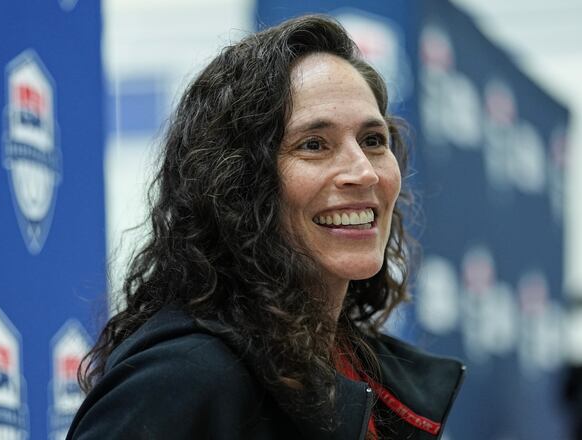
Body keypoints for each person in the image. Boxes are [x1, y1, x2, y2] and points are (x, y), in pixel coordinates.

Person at [68, 14, 465, 440]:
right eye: (314, 145)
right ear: (236, 182)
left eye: (373, 140)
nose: (364, 172)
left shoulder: (359, 373)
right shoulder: (182, 379)